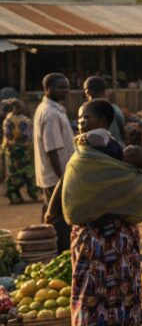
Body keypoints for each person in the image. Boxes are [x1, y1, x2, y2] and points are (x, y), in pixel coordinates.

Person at [44, 99, 142, 326]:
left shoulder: (101, 146)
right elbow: (68, 177)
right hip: (111, 236)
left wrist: (52, 210)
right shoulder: (85, 153)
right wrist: (52, 210)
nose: (81, 122)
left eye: (86, 117)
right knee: (113, 291)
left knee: (96, 292)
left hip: (102, 238)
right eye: (79, 117)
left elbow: (127, 174)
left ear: (103, 122)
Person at [34, 74, 76, 251]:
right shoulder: (50, 113)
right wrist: (62, 178)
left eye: (66, 87)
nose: (65, 91)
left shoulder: (55, 109)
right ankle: (61, 252)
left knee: (51, 213)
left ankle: (47, 247)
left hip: (57, 174)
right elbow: (52, 149)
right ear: (47, 89)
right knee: (60, 218)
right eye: (61, 87)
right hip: (55, 176)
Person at [2, 99, 40, 204]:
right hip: (17, 151)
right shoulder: (12, 120)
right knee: (19, 174)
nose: (21, 108)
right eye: (19, 106)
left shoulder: (11, 119)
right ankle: (17, 195)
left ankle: (21, 195)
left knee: (22, 173)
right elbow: (12, 135)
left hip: (19, 151)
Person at [83, 75, 126, 143]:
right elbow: (122, 129)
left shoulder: (86, 111)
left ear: (89, 92)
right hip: (116, 145)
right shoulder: (114, 108)